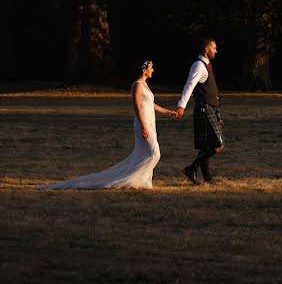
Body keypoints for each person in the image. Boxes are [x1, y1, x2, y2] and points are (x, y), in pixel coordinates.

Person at [38, 60, 178, 190]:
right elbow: (137, 106)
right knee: (155, 154)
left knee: (143, 154)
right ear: (144, 69)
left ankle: (141, 181)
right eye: (151, 68)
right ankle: (128, 179)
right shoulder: (137, 85)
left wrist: (168, 112)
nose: (153, 70)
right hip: (143, 123)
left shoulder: (146, 85)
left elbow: (150, 104)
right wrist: (143, 125)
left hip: (150, 122)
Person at [176, 38, 225, 185]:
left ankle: (207, 178)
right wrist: (181, 105)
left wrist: (218, 115)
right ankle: (192, 168)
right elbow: (189, 85)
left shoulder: (207, 66)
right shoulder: (199, 65)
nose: (216, 51)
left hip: (210, 109)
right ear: (206, 49)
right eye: (214, 48)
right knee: (218, 145)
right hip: (204, 110)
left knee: (207, 146)